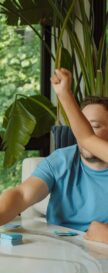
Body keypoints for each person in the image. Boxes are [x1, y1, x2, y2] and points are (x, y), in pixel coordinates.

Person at [0, 96, 108, 243]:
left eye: (93, 127)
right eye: (81, 127)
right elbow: (21, 194)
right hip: (59, 248)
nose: (83, 135)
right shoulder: (61, 160)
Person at [50, 67, 108, 244]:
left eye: (96, 125)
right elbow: (86, 137)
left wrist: (64, 94)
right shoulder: (61, 160)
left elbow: (87, 137)